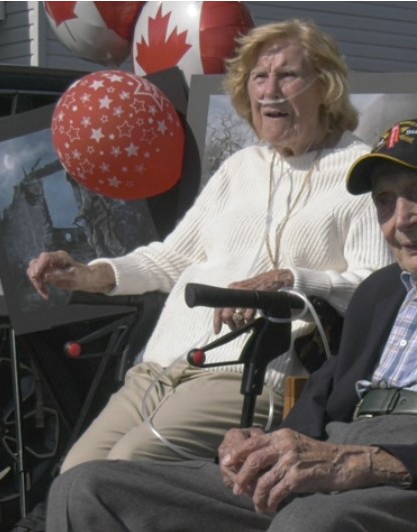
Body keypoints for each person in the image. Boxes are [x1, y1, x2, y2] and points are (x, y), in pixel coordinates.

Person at [44, 118, 417, 531]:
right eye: (385, 202)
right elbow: (325, 395)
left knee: (307, 526)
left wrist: (362, 463)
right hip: (331, 456)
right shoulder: (379, 292)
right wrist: (261, 445)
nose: (401, 219)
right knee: (86, 489)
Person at [26, 19, 390, 471]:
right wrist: (87, 274)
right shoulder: (241, 166)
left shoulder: (360, 171)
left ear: (325, 87)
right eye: (259, 77)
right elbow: (171, 259)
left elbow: (377, 287)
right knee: (75, 473)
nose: (269, 90)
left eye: (287, 75)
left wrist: (289, 279)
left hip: (245, 377)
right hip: (158, 369)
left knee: (131, 465)